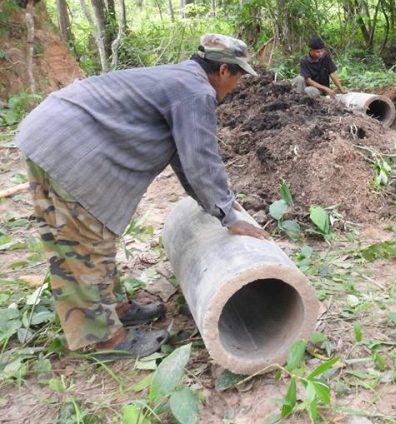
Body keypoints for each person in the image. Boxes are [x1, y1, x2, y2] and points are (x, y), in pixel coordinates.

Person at [16, 33, 269, 359]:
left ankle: (115, 308)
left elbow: (184, 158)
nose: (236, 86)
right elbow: (201, 159)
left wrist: (219, 202)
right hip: (68, 147)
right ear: (223, 71)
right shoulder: (195, 92)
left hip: (52, 133)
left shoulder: (178, 79)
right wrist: (229, 216)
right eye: (238, 77)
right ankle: (104, 340)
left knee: (95, 237)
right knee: (83, 243)